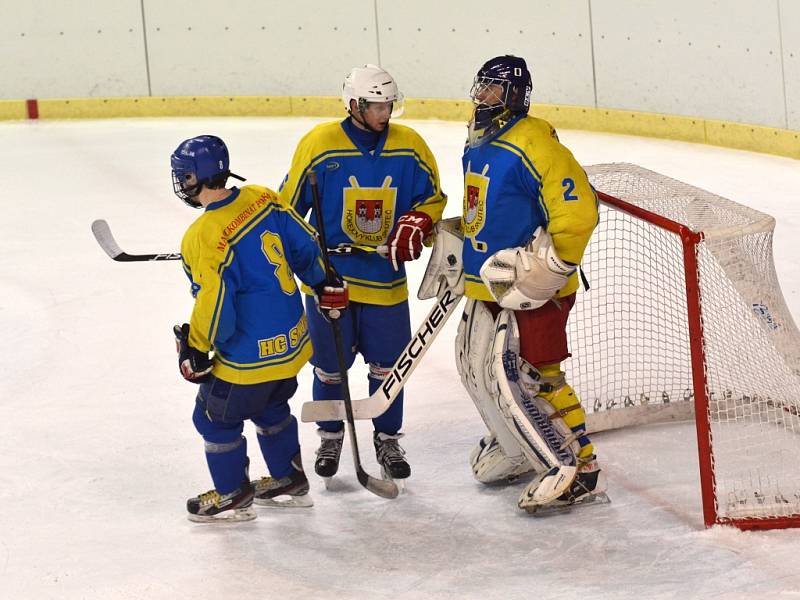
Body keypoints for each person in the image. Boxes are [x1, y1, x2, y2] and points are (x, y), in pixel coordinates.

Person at [279, 64, 447, 485]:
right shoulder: (319, 145)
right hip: (330, 280)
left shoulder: (410, 146)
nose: (386, 112)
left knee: (388, 369)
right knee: (329, 368)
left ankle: (387, 439)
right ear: (355, 105)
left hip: (385, 280)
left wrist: (417, 222)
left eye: (389, 103)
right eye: (377, 105)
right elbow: (288, 211)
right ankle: (331, 435)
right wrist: (299, 259)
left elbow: (432, 200)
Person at [455, 55, 607, 512]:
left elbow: (579, 210)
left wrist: (554, 267)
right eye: (481, 87)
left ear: (515, 96)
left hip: (533, 291)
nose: (483, 97)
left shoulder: (535, 142)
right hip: (491, 288)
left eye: (494, 90)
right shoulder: (478, 140)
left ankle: (580, 466)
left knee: (536, 377)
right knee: (474, 367)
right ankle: (517, 447)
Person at [171, 135, 348, 522]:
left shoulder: (203, 236)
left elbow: (216, 306)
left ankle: (233, 494)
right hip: (290, 347)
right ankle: (289, 480)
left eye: (183, 176)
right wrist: (321, 281)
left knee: (214, 420)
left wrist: (197, 348)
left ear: (194, 178)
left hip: (248, 359)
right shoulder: (262, 197)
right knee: (272, 409)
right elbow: (304, 244)